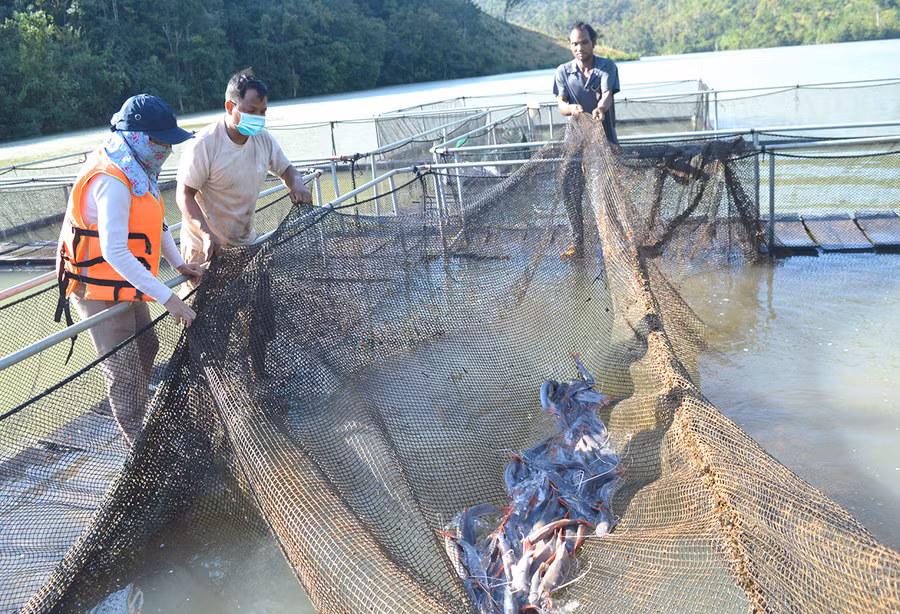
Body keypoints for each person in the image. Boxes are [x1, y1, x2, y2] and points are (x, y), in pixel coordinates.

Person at [56, 94, 203, 445]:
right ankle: (137, 442)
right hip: (96, 286)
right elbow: (115, 250)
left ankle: (140, 409)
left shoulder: (139, 166)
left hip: (124, 276)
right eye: (161, 141)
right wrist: (170, 298)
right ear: (137, 137)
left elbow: (156, 222)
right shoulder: (113, 177)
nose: (167, 148)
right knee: (122, 368)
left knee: (147, 345)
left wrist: (178, 263)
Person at [176, 68, 313, 280]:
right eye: (251, 110)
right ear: (230, 107)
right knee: (202, 309)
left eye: (263, 112)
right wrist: (206, 234)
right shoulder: (205, 143)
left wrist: (297, 184)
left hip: (245, 242)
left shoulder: (263, 139)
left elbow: (287, 169)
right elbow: (184, 194)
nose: (258, 117)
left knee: (250, 303)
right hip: (205, 247)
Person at [553, 21, 620, 259]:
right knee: (571, 192)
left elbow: (607, 95)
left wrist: (600, 109)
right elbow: (560, 104)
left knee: (606, 192)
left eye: (584, 42)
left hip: (604, 140)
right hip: (574, 141)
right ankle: (578, 243)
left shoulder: (606, 67)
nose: (579, 48)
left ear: (593, 43)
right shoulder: (563, 71)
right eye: (575, 44)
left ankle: (613, 241)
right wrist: (571, 108)